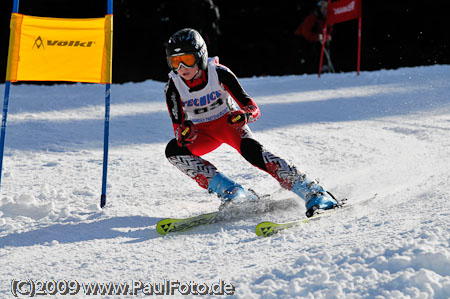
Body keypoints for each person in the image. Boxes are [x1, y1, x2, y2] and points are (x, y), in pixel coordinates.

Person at [164, 28, 338, 217]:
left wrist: (244, 116)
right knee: (174, 151)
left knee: (254, 153)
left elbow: (253, 109)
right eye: (175, 62)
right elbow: (178, 130)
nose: (182, 68)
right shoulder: (173, 87)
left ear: (200, 56)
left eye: (187, 60)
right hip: (203, 134)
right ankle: (234, 193)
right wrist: (184, 134)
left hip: (229, 125)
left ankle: (315, 192)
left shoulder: (219, 74)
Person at [293, 0, 333, 73]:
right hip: (302, 39)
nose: (326, 10)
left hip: (315, 40)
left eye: (327, 8)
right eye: (324, 8)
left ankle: (321, 69)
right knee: (309, 55)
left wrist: (327, 36)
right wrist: (317, 37)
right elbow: (306, 33)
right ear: (319, 8)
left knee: (320, 52)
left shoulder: (327, 19)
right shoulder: (312, 18)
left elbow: (329, 29)